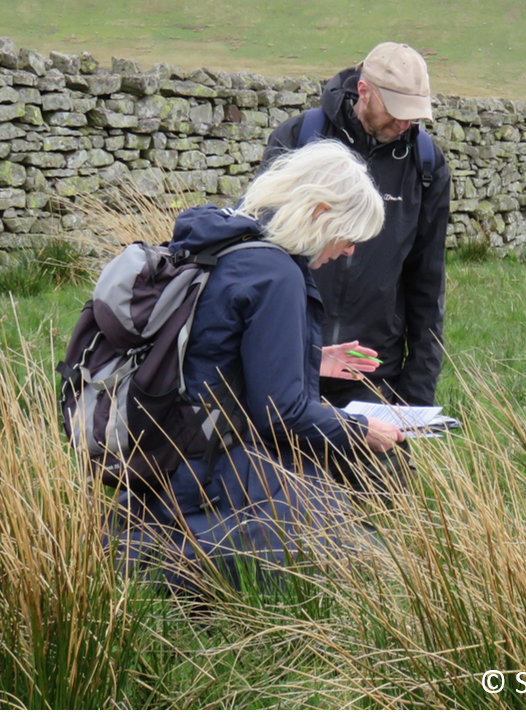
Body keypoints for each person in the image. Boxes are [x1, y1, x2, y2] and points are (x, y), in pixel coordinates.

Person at [113, 141, 405, 588]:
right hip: (209, 465)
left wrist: (309, 358)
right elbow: (282, 415)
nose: (348, 251)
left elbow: (212, 350)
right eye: (348, 237)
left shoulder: (228, 244)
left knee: (333, 525)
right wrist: (362, 430)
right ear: (321, 211)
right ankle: (144, 564)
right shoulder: (278, 275)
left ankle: (137, 542)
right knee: (346, 551)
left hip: (163, 451)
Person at [262, 42, 451, 408]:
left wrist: (417, 395)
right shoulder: (298, 139)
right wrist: (299, 351)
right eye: (396, 110)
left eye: (414, 114)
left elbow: (428, 283)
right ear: (364, 91)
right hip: (291, 365)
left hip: (375, 376)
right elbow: (262, 251)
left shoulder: (427, 166)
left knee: (380, 469)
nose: (404, 123)